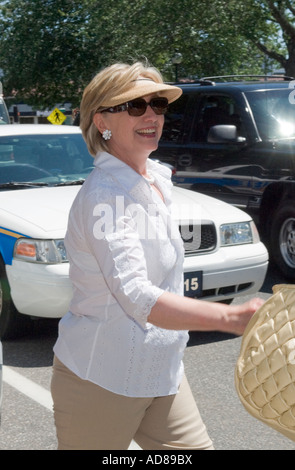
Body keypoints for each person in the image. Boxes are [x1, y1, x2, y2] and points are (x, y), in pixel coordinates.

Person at [51, 61, 264, 450]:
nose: (151, 114)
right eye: (135, 106)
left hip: (161, 372)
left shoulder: (152, 181)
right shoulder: (106, 197)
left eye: (158, 104)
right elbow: (137, 295)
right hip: (102, 380)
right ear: (102, 121)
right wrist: (230, 317)